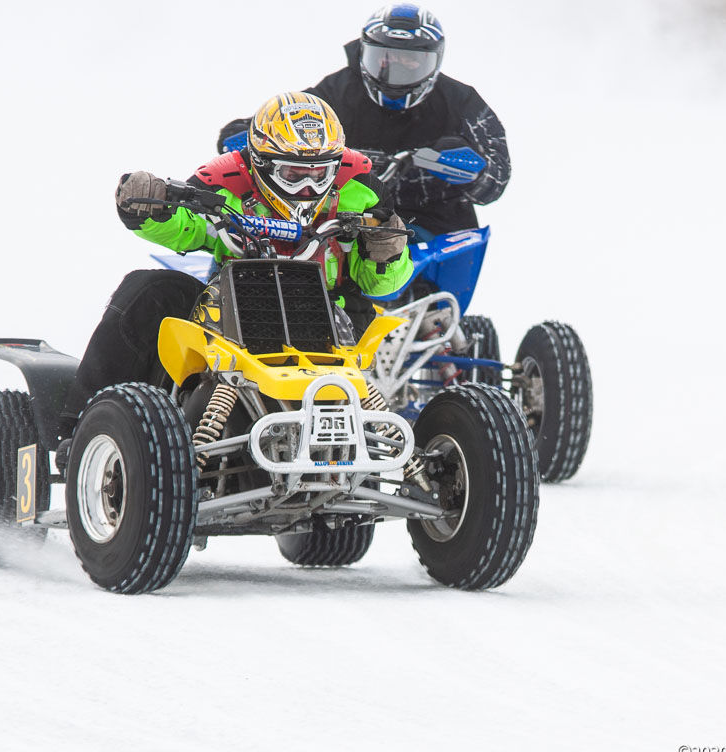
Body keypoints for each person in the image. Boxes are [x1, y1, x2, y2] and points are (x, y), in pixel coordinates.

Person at [57, 91, 412, 441]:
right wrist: (149, 207)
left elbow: (382, 284)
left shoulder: (362, 187)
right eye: (293, 174)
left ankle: (375, 447)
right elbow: (187, 224)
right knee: (150, 291)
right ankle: (84, 430)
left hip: (332, 309)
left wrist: (387, 253)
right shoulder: (223, 181)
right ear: (261, 164)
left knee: (369, 320)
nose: (307, 188)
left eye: (320, 175)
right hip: (233, 306)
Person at [217, 4, 509, 238]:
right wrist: (252, 134)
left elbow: (497, 179)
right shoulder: (339, 90)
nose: (395, 67)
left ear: (434, 61)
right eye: (384, 57)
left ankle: (432, 304)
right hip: (342, 210)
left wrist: (465, 166)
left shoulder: (461, 101)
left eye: (410, 60)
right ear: (363, 53)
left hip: (432, 217)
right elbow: (291, 115)